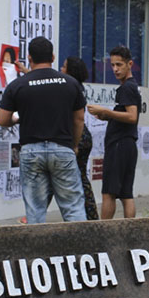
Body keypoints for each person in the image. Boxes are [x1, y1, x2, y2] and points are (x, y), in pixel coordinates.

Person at [0, 36, 86, 224]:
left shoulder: (18, 85)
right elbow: (78, 119)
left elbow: (3, 119)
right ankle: (80, 251)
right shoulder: (70, 83)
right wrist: (75, 145)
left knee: (35, 211)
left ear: (29, 58)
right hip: (63, 149)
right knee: (73, 208)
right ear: (53, 57)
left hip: (31, 151)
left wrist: (19, 117)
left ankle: (36, 253)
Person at [87, 46, 140, 219]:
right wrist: (106, 116)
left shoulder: (127, 88)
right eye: (113, 65)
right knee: (126, 194)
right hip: (128, 144)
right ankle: (129, 234)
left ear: (129, 64)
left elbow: (132, 116)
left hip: (119, 145)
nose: (115, 69)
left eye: (119, 65)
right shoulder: (130, 87)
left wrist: (107, 112)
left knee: (109, 192)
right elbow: (125, 116)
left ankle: (104, 236)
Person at [62, 56, 99, 220]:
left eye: (64, 67)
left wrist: (75, 144)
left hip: (77, 137)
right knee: (81, 177)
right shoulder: (77, 86)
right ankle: (91, 215)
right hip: (84, 136)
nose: (61, 70)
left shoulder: (69, 87)